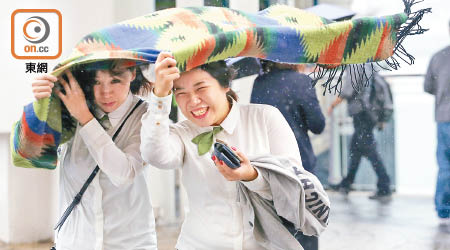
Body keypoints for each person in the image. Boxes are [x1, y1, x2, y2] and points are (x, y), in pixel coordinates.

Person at [141, 52, 330, 249]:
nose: (193, 101)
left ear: (225, 85)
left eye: (201, 88)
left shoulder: (265, 118)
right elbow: (154, 155)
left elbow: (293, 189)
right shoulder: (181, 133)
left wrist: (252, 176)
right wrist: (159, 98)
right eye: (181, 93)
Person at [31, 60, 157, 250]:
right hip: (74, 243)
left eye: (115, 81)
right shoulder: (68, 109)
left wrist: (85, 118)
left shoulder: (148, 116)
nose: (105, 92)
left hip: (130, 244)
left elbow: (124, 174)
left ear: (132, 74)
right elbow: (30, 156)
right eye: (96, 82)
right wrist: (40, 105)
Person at [250, 60, 325, 250]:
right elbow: (318, 125)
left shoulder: (260, 82)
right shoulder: (301, 82)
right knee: (303, 227)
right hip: (299, 166)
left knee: (274, 231)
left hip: (268, 165)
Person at [328, 66, 392, 200]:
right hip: (369, 112)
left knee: (370, 151)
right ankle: (346, 184)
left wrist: (333, 104)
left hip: (362, 112)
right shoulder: (367, 63)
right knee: (356, 149)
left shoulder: (355, 63)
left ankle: (385, 186)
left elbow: (349, 89)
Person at [424, 20, 450, 230]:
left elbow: (428, 86)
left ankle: (443, 210)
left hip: (444, 117)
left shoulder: (438, 57)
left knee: (445, 166)